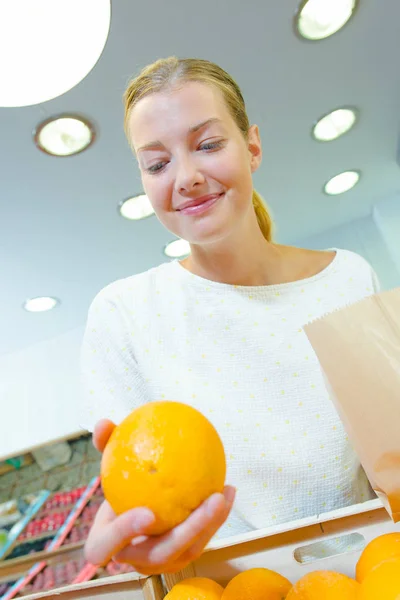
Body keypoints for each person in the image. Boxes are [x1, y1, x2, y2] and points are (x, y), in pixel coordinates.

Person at [80, 57, 380, 575]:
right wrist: (133, 544)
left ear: (253, 146)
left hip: (368, 576)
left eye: (208, 144)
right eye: (157, 164)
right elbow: (141, 504)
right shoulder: (124, 316)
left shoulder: (348, 280)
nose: (187, 177)